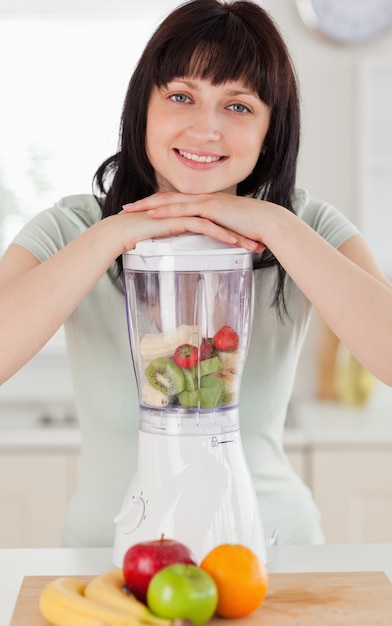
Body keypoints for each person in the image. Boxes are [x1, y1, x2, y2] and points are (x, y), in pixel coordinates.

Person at [0, 0, 392, 547]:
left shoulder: (304, 226)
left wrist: (273, 224)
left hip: (275, 555)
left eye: (238, 107)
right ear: (143, 108)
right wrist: (116, 234)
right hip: (108, 559)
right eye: (181, 96)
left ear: (269, 130)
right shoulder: (71, 228)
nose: (205, 129)